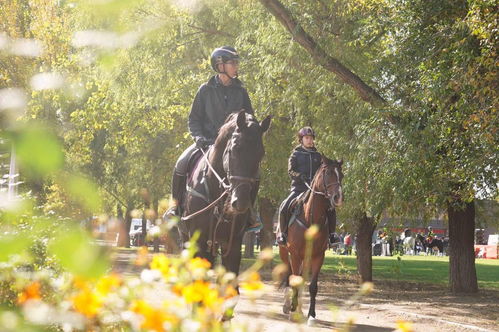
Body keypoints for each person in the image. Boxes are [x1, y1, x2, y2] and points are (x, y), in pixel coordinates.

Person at [168, 46, 260, 230]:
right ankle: (175, 207)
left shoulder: (241, 91)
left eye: (236, 63)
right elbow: (194, 119)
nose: (236, 66)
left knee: (255, 173)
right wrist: (197, 136)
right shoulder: (205, 90)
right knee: (181, 162)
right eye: (232, 63)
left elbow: (250, 118)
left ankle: (249, 211)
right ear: (220, 65)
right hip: (207, 143)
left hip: (234, 146)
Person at [275, 127, 336, 245]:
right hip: (299, 189)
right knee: (284, 207)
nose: (309, 140)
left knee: (331, 208)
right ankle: (283, 234)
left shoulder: (318, 155)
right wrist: (299, 176)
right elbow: (291, 171)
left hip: (315, 190)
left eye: (311, 138)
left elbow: (323, 172)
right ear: (301, 140)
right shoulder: (295, 154)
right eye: (307, 138)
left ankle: (332, 235)